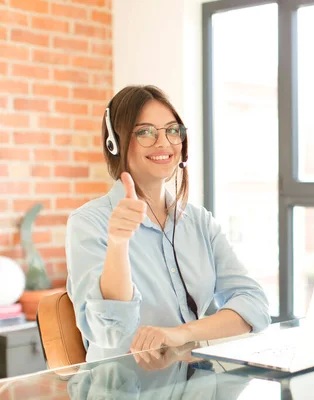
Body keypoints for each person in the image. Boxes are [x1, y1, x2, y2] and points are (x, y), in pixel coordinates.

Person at [65, 85, 271, 362]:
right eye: (145, 132)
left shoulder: (199, 222)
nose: (164, 143)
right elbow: (109, 333)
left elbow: (254, 304)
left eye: (172, 130)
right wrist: (118, 243)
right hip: (123, 388)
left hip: (194, 381)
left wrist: (181, 333)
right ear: (115, 143)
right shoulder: (88, 223)